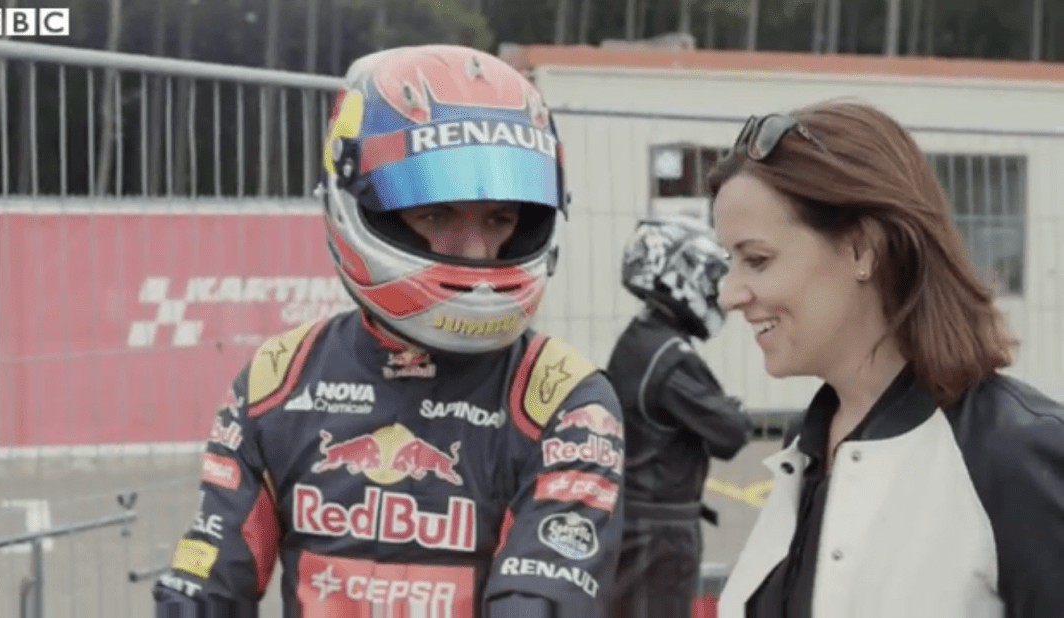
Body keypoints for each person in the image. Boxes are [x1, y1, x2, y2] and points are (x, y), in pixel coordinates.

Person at [153, 44, 625, 618]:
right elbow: (209, 581)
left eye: (500, 219)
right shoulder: (278, 379)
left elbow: (542, 602)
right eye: (436, 215)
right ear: (356, 206)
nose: (476, 250)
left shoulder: (563, 397)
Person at [707, 102, 1064, 617]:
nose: (729, 294)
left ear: (862, 249)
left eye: (757, 260)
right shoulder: (805, 451)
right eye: (729, 261)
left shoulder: (1013, 454)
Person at [603, 215, 752, 618]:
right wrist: (729, 410)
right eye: (706, 276)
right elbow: (731, 434)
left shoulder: (641, 338)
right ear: (677, 275)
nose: (713, 288)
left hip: (637, 521)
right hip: (659, 532)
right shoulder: (670, 359)